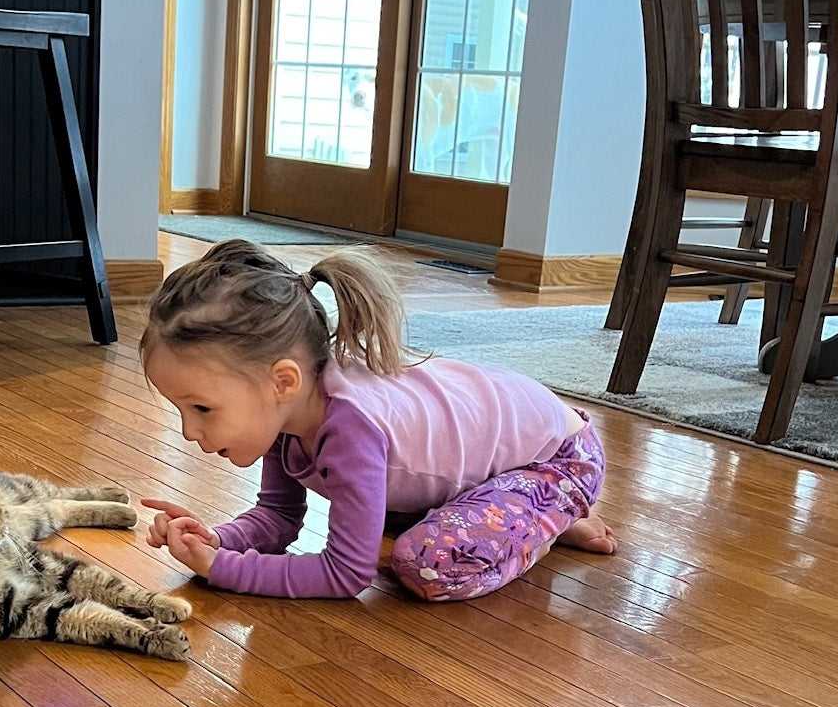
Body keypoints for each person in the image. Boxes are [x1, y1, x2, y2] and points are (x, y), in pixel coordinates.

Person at [139, 240, 616, 601]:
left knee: (425, 564)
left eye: (202, 408)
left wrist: (222, 568)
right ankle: (530, 515)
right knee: (381, 518)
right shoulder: (287, 412)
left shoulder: (352, 428)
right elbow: (278, 518)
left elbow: (346, 574)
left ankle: (544, 524)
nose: (189, 431)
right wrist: (216, 541)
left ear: (282, 381)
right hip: (480, 464)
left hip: (558, 458)